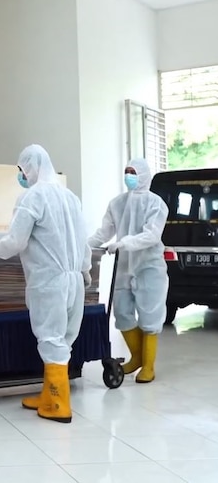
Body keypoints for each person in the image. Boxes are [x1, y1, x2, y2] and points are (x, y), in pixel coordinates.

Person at [0, 145, 91, 424]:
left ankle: (59, 404)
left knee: (50, 338)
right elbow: (83, 238)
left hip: (49, 281)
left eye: (22, 169)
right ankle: (50, 394)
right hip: (74, 280)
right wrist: (86, 268)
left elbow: (16, 241)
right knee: (63, 340)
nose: (21, 175)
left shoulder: (32, 197)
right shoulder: (70, 198)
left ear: (31, 168)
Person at [87, 158, 168, 384]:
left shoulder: (157, 204)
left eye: (133, 172)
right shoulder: (117, 203)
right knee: (122, 312)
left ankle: (148, 366)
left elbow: (152, 235)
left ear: (144, 175)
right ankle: (137, 357)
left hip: (149, 265)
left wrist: (125, 243)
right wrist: (84, 246)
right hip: (124, 267)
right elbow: (103, 232)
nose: (129, 176)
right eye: (126, 171)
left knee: (150, 315)